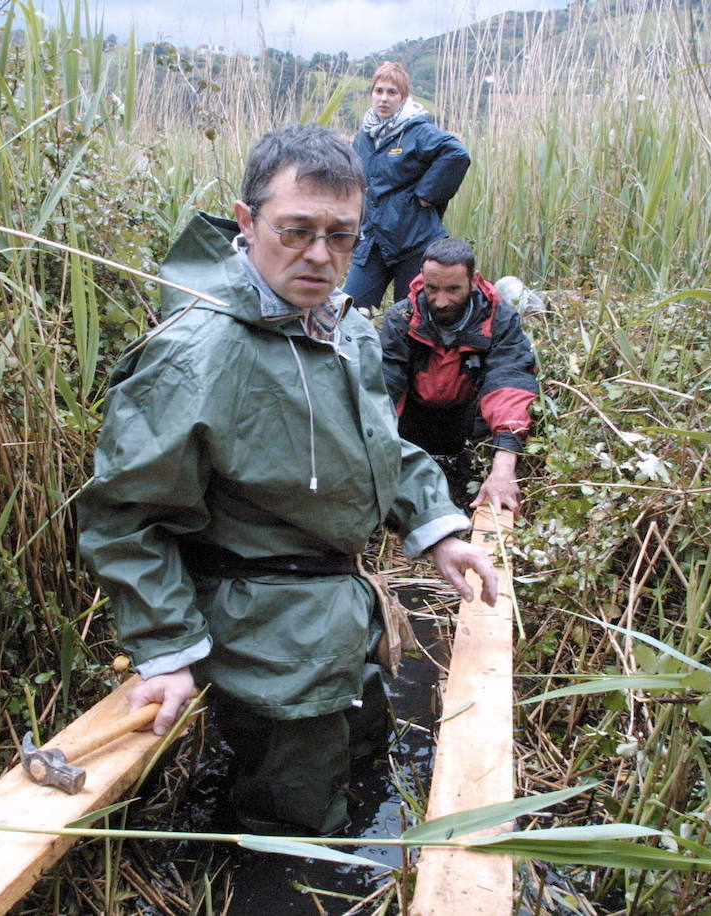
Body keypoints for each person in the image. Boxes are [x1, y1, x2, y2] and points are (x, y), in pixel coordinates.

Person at [78, 124, 497, 836]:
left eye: (342, 237)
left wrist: (438, 528)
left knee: (361, 759)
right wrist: (165, 650)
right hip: (264, 632)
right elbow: (128, 518)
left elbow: (378, 447)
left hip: (345, 610)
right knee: (294, 825)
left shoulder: (345, 328)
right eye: (297, 231)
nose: (320, 257)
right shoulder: (197, 353)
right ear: (246, 222)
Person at [379, 237, 539, 516]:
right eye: (432, 288)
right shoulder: (401, 317)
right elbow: (384, 388)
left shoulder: (500, 319)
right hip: (413, 423)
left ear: (474, 281)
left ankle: (480, 484)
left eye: (453, 289)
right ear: (422, 280)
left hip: (467, 424)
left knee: (506, 416)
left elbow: (509, 382)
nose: (441, 301)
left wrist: (504, 467)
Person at [344, 61, 470, 313]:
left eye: (392, 92)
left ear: (403, 97)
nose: (384, 98)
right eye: (379, 91)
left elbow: (456, 154)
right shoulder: (364, 137)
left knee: (411, 316)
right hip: (373, 242)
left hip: (414, 240)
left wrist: (426, 195)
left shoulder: (418, 131)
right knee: (348, 310)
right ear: (371, 94)